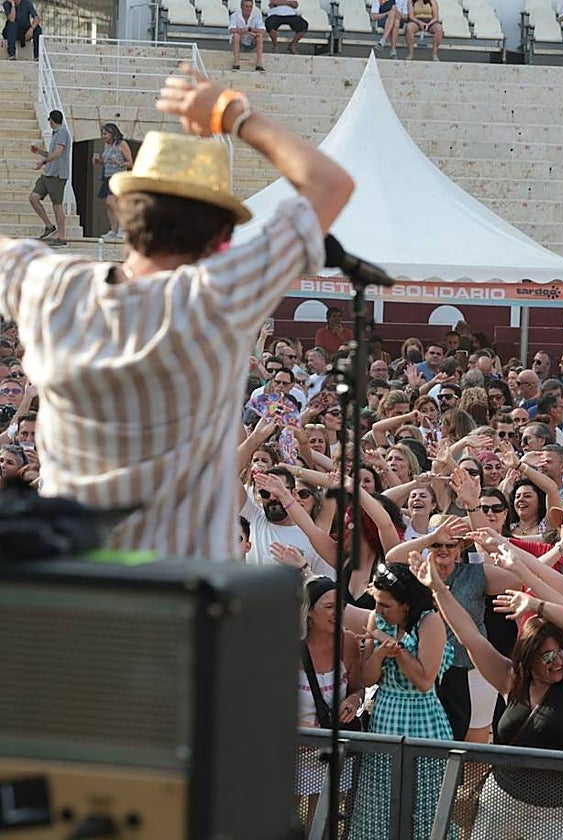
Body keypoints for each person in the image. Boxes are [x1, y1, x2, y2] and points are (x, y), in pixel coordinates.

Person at [0, 65, 354, 558]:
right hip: (178, 599)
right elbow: (329, 182)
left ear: (119, 212)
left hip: (69, 587)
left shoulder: (51, 286)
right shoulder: (217, 296)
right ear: (220, 240)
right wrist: (231, 112)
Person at [410, 552, 563, 840]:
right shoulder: (512, 679)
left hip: (556, 813)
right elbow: (469, 635)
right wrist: (437, 588)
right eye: (547, 656)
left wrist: (536, 605)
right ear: (528, 656)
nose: (558, 661)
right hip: (501, 802)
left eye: (561, 652)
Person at [348, 563, 452, 840]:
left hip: (424, 717)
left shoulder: (429, 621)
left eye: (386, 605)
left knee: (426, 804)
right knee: (379, 801)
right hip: (385, 715)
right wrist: (380, 654)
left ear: (406, 604)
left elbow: (425, 680)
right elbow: (368, 679)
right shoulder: (376, 620)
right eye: (377, 603)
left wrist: (398, 650)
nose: (379, 610)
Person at [297, 577, 363, 825]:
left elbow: (357, 688)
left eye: (341, 606)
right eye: (328, 607)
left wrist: (353, 703)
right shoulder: (288, 646)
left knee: (322, 823)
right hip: (291, 750)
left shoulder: (349, 642)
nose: (337, 613)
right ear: (309, 612)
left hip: (330, 750)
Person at [27, 109, 69, 248]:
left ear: (51, 120)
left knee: (57, 206)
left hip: (57, 175)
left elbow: (58, 153)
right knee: (34, 197)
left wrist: (42, 162)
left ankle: (61, 236)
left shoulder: (62, 132)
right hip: (48, 174)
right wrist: (39, 152)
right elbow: (51, 154)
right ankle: (49, 226)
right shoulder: (55, 133)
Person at [92, 121, 133, 241]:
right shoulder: (106, 145)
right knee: (108, 204)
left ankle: (122, 228)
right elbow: (105, 162)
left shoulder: (121, 144)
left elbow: (130, 162)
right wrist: (97, 162)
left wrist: (118, 163)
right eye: (103, 134)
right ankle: (114, 229)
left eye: (105, 134)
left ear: (112, 133)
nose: (104, 136)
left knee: (112, 202)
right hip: (107, 176)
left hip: (118, 177)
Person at [229, 0, 267, 71]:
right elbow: (231, 30)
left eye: (250, 7)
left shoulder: (256, 15)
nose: (249, 9)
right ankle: (236, 63)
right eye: (246, 7)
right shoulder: (235, 15)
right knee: (236, 36)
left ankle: (259, 64)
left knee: (259, 37)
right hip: (240, 41)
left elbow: (263, 30)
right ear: (241, 7)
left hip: (252, 41)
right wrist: (246, 31)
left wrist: (248, 30)